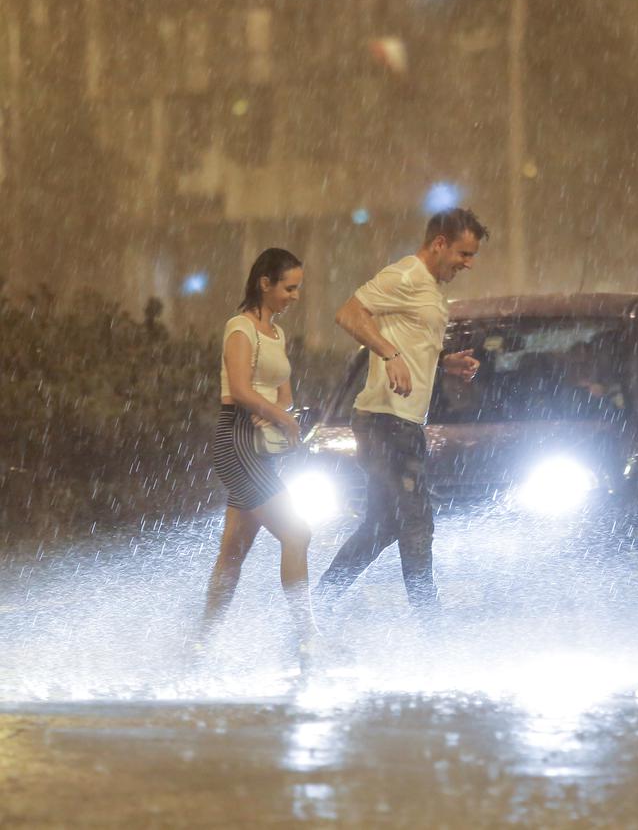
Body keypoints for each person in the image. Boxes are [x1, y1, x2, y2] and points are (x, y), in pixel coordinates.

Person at [315, 208, 488, 617]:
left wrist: (444, 361)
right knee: (416, 522)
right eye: (463, 254)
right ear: (439, 243)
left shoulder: (428, 289)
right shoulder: (406, 276)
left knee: (382, 526)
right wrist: (388, 354)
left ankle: (316, 610)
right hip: (382, 421)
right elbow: (348, 314)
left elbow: (410, 340)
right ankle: (430, 631)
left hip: (403, 423)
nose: (468, 264)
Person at [200, 248, 319, 661]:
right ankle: (308, 639)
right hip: (236, 441)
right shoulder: (241, 328)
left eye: (298, 288)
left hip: (261, 446)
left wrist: (281, 415)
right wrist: (277, 417)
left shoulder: (276, 334)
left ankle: (199, 642)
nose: (295, 295)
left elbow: (282, 394)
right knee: (298, 532)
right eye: (289, 287)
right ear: (264, 283)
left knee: (233, 554)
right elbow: (239, 389)